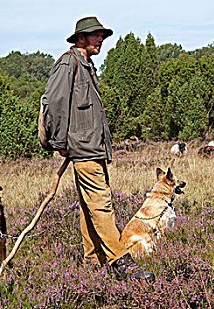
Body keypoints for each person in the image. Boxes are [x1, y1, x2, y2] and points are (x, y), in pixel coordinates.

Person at [43, 16, 154, 282]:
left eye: (102, 35)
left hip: (94, 148)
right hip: (83, 150)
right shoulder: (69, 63)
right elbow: (54, 103)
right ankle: (121, 262)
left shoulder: (87, 66)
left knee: (88, 207)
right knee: (102, 205)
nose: (100, 39)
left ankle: (93, 260)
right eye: (95, 35)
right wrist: (59, 144)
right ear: (80, 38)